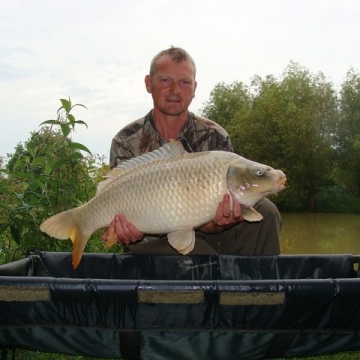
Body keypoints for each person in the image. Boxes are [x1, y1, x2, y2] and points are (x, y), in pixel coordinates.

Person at [101, 46, 282, 255]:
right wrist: (126, 232)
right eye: (165, 80)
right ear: (149, 84)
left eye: (184, 82)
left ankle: (262, 288)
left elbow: (224, 211)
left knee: (267, 213)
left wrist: (216, 223)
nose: (175, 90)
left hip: (210, 232)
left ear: (194, 88)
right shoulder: (126, 141)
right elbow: (123, 221)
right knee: (199, 252)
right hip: (152, 238)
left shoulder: (215, 135)